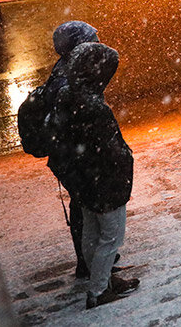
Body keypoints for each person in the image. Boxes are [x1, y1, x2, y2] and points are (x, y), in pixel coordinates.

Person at [51, 42, 140, 309]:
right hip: (104, 182)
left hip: (84, 181)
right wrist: (125, 161)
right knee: (111, 237)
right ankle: (100, 290)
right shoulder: (93, 106)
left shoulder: (68, 96)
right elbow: (108, 151)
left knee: (91, 234)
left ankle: (101, 282)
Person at [27, 22, 100, 279]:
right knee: (88, 208)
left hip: (70, 156)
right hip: (73, 157)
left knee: (86, 207)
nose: (98, 42)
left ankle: (91, 262)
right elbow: (71, 124)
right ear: (78, 45)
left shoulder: (69, 71)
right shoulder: (67, 79)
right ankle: (93, 265)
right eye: (92, 39)